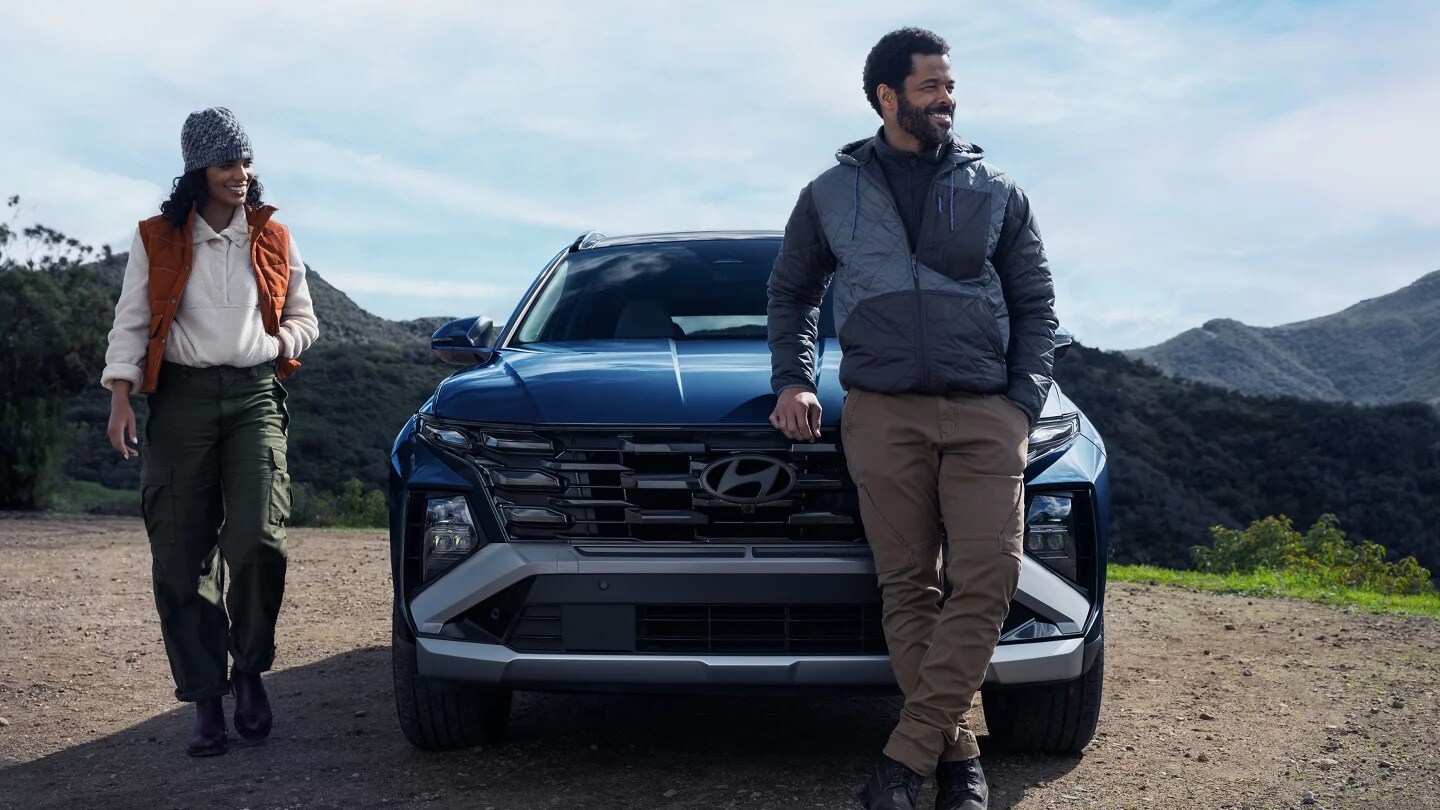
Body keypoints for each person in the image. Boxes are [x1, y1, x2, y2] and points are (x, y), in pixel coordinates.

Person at [767, 28, 1057, 810]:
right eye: (931, 86)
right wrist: (794, 380)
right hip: (882, 411)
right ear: (887, 97)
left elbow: (1036, 303)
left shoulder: (996, 188)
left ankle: (902, 762)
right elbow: (793, 294)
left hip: (985, 411)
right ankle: (958, 760)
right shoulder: (830, 193)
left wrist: (1021, 404)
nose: (946, 99)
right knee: (908, 587)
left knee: (988, 578)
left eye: (949, 85)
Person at [102, 107, 319, 757]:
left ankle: (248, 668)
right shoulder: (157, 237)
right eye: (227, 163)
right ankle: (205, 698)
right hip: (180, 400)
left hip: (255, 396)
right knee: (179, 553)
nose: (241, 174)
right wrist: (120, 398)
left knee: (258, 540)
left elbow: (305, 318)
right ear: (199, 170)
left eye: (246, 161)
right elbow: (131, 321)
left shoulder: (273, 234)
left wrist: (277, 342)